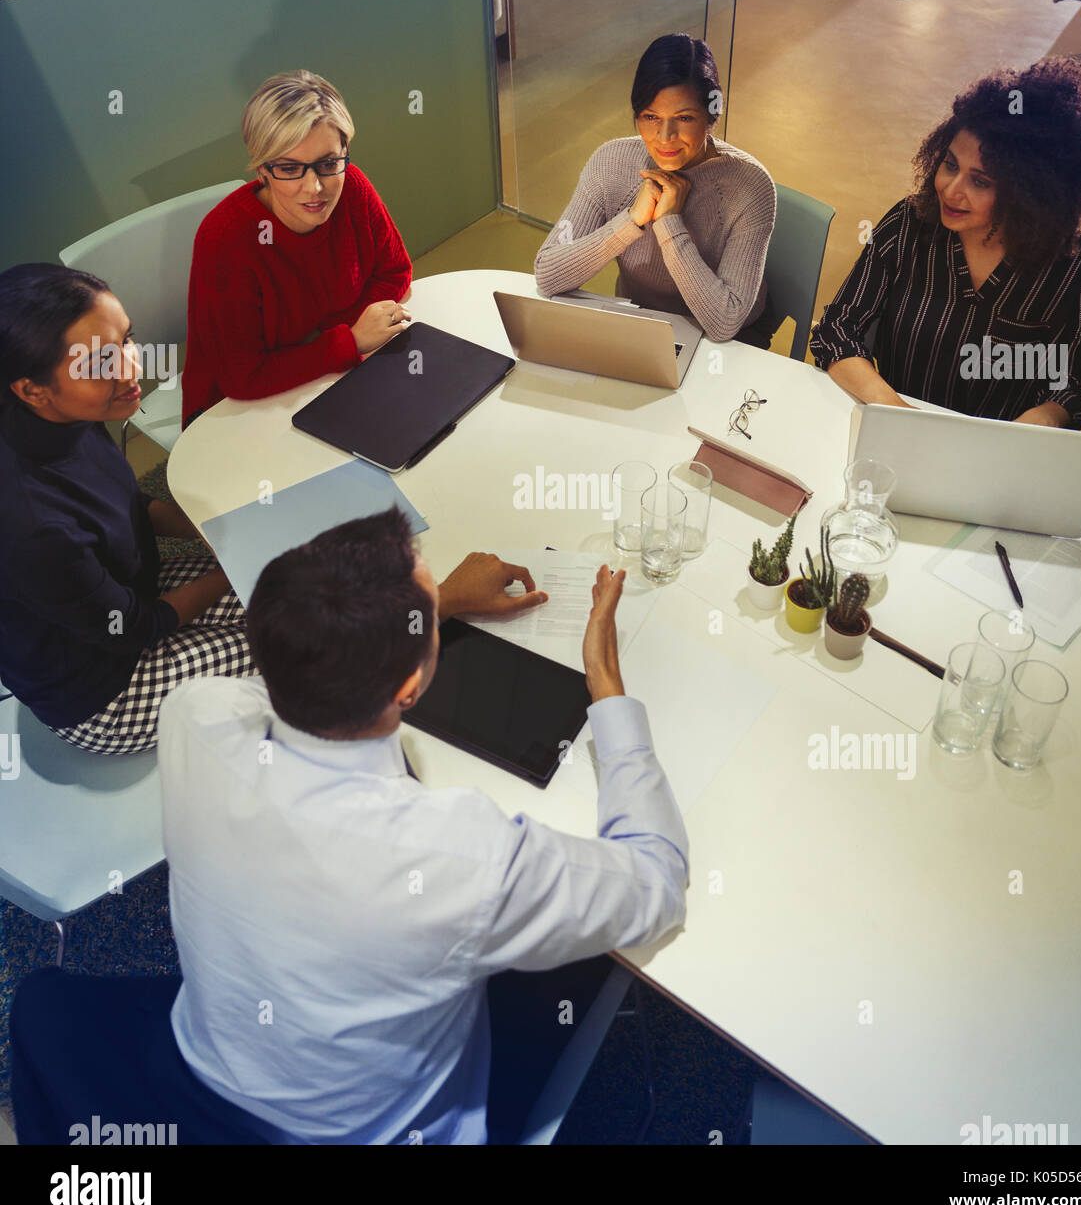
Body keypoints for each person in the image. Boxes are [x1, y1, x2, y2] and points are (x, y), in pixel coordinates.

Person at [157, 509, 689, 1144]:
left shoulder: (193, 712)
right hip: (373, 1126)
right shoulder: (456, 855)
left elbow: (299, 674)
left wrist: (432, 608)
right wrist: (606, 685)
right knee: (590, 967)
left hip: (208, 1056)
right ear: (410, 684)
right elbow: (657, 883)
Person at [0, 264, 253, 754]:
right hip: (104, 694)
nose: (131, 370)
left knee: (293, 582)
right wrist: (234, 565)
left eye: (127, 341)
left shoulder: (68, 411)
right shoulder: (33, 525)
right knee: (304, 629)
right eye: (99, 365)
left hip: (130, 597)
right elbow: (132, 629)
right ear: (32, 389)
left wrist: (211, 529)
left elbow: (123, 503)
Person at [809, 58, 1081, 428]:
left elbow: (1070, 388)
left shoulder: (1073, 264)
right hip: (896, 425)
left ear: (1031, 194)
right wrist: (897, 412)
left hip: (999, 452)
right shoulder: (910, 222)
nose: (951, 191)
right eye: (950, 165)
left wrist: (1019, 435)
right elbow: (837, 329)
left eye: (980, 182)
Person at [180, 70, 413, 427]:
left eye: (328, 163)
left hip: (331, 376)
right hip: (235, 411)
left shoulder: (352, 186)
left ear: (345, 151)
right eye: (289, 168)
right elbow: (244, 377)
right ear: (262, 168)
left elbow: (395, 270)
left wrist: (336, 341)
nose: (315, 187)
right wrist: (347, 341)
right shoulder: (225, 239)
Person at [534, 33, 779, 346]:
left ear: (711, 116)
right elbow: (548, 274)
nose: (665, 136)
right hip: (643, 322)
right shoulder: (611, 163)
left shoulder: (751, 186)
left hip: (730, 340)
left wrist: (669, 224)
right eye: (650, 117)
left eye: (684, 118)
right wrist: (631, 221)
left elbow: (724, 322)